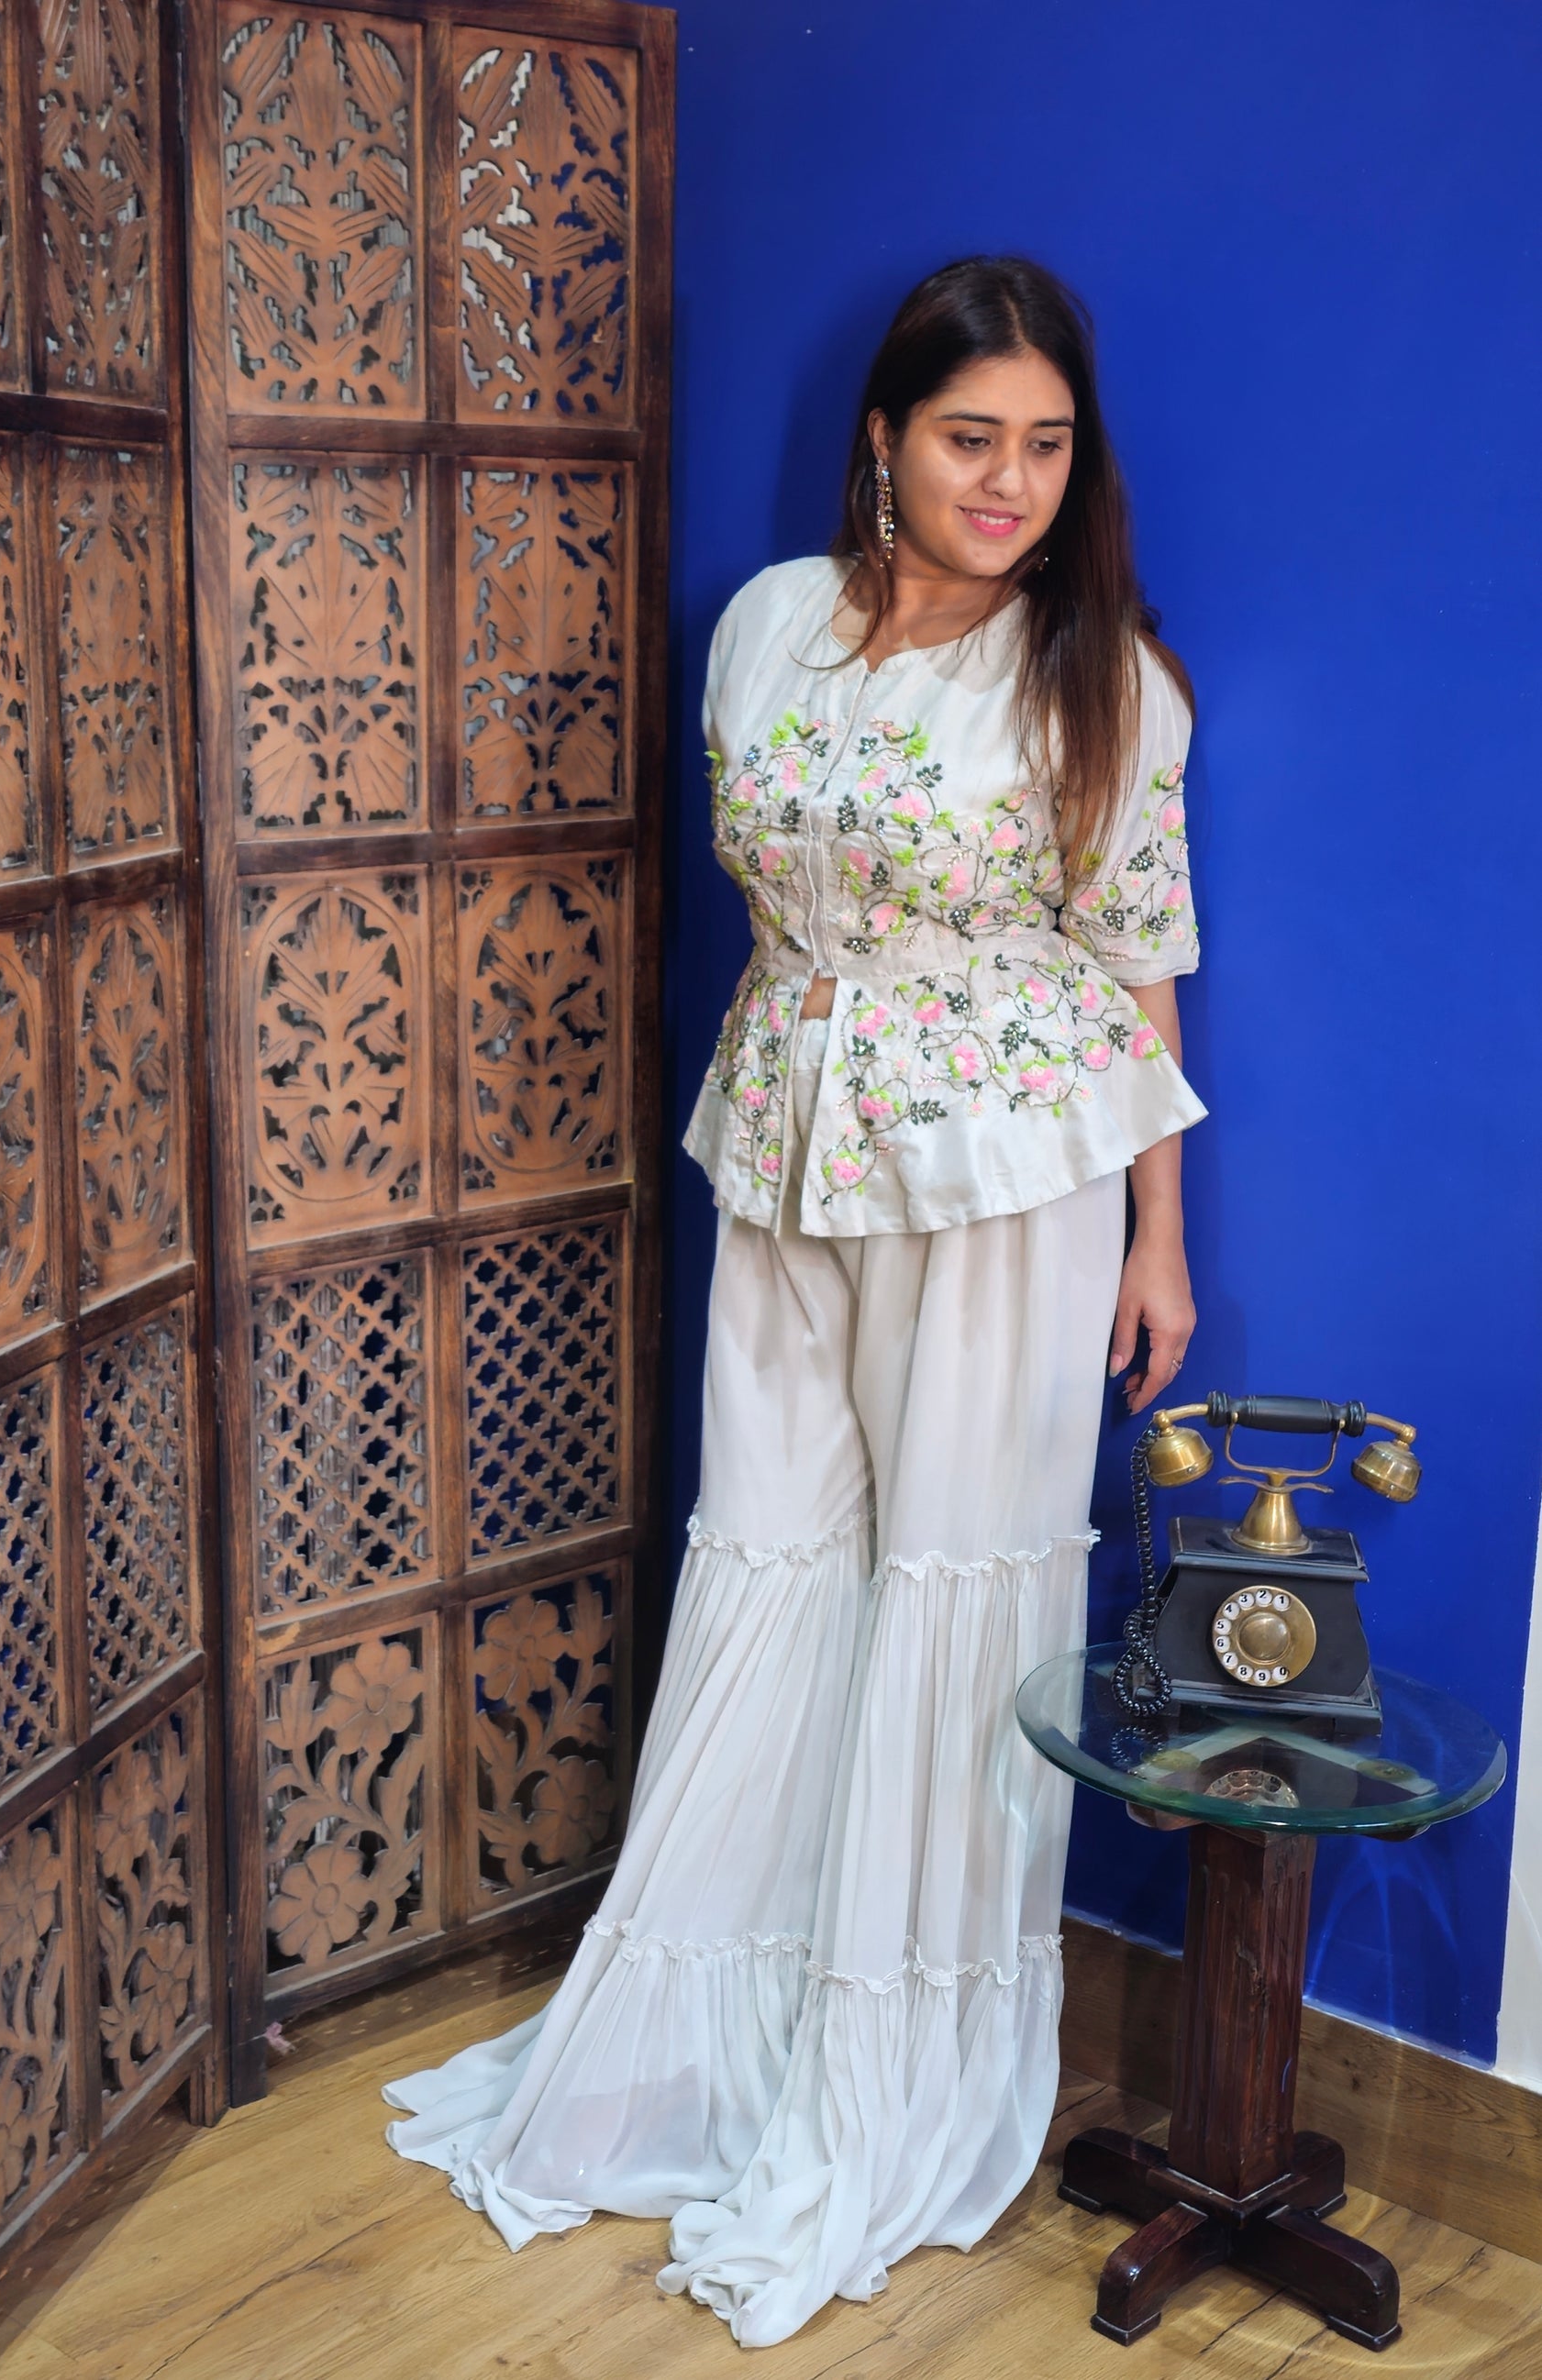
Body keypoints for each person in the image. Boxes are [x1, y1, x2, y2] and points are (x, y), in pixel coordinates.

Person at [385, 254, 1205, 2347]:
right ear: (884, 439)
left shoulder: (1103, 677)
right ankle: (700, 2048)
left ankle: (888, 2081)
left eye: (1046, 445)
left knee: (954, 1588)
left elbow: (1140, 954)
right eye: (969, 438)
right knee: (764, 1558)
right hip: (779, 1134)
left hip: (1007, 1172)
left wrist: (1158, 1234)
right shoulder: (761, 624)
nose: (1009, 482)